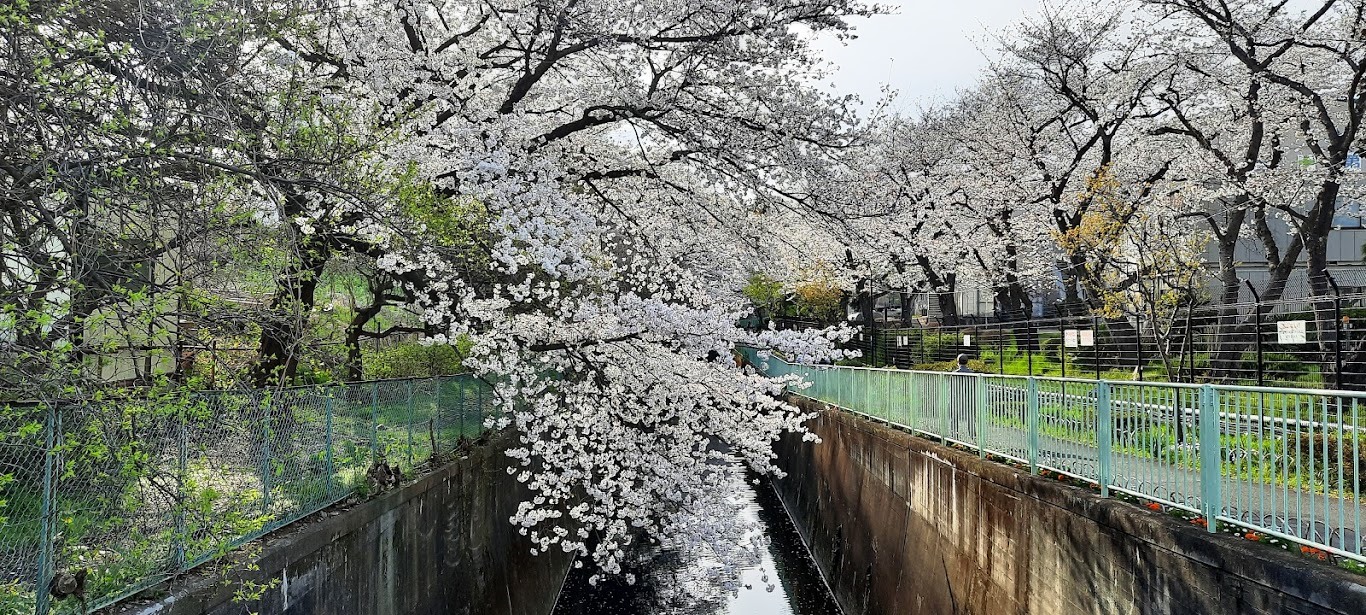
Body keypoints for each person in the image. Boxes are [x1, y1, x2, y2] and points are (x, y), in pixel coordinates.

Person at [950, 354, 977, 441]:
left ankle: (954, 436)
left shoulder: (954, 373)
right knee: (971, 418)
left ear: (958, 362)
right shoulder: (972, 373)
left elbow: (952, 388)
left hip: (957, 399)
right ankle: (973, 436)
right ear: (967, 362)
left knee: (954, 417)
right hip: (969, 398)